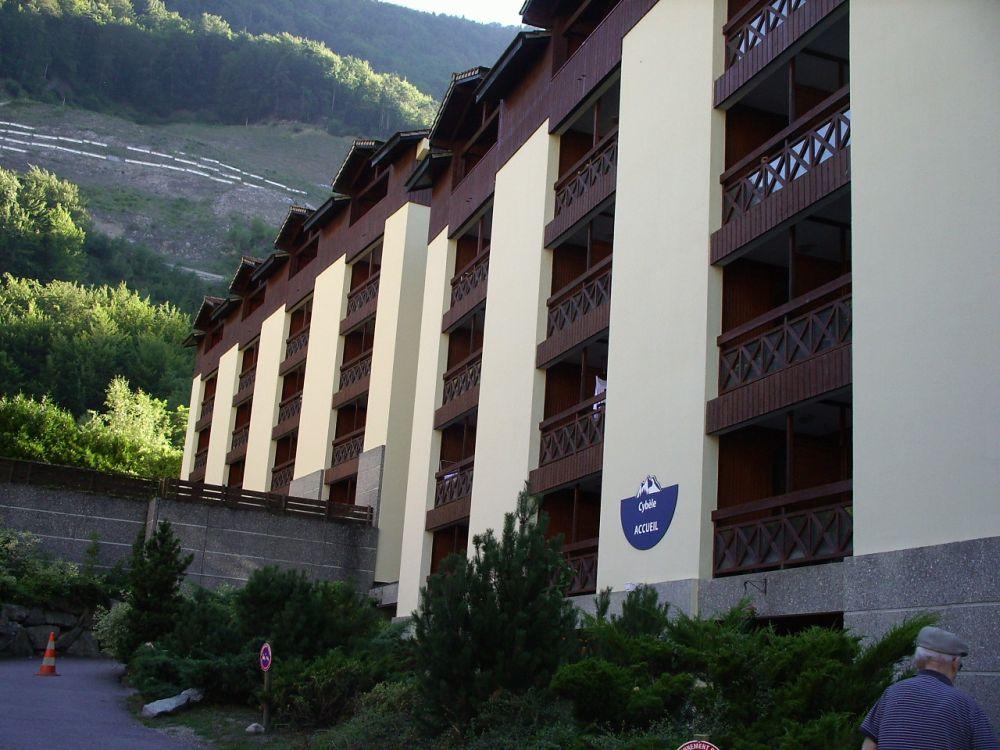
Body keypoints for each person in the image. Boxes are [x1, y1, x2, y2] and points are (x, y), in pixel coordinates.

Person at [860, 626, 997, 750]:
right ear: (955, 663)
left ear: (918, 659)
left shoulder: (891, 694)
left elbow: (869, 746)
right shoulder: (966, 707)